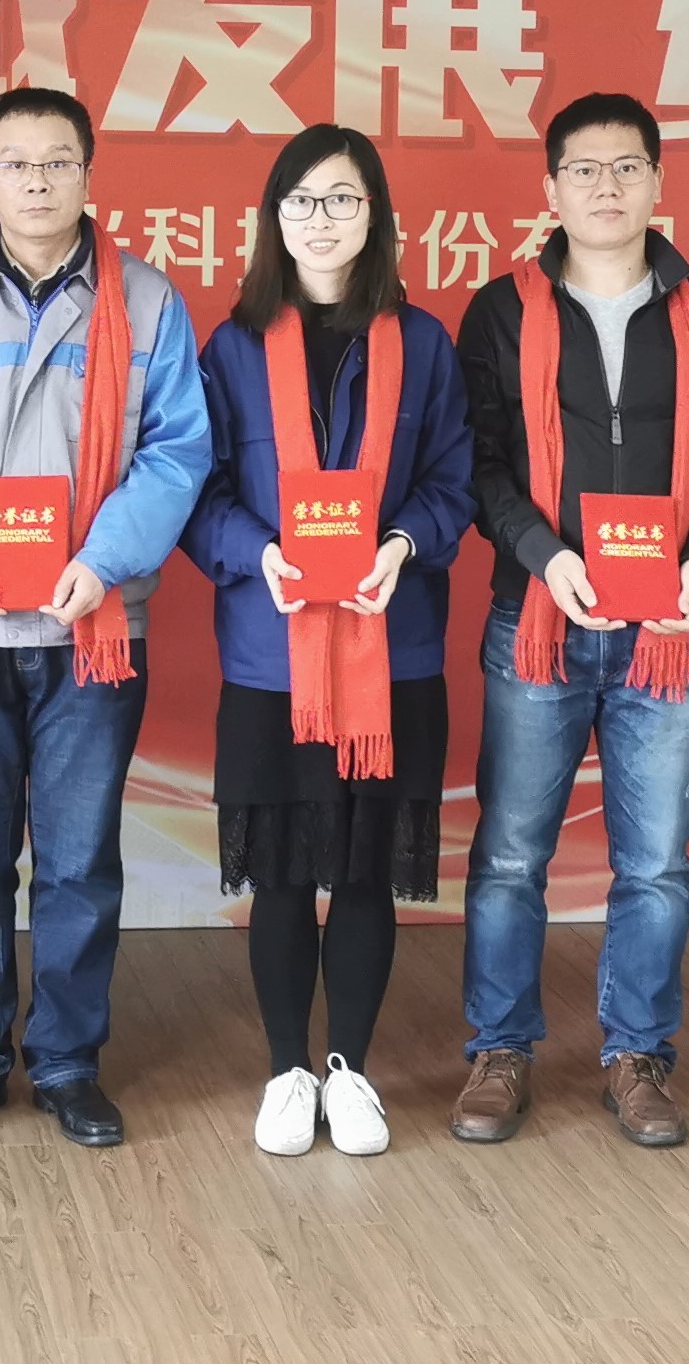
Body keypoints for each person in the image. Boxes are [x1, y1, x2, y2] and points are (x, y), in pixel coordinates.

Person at [0, 88, 211, 1148]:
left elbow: (178, 452)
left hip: (94, 627)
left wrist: (103, 562)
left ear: (88, 174)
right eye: (15, 164)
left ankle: (67, 1061)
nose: (36, 181)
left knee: (77, 862)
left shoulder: (148, 300)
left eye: (57, 162)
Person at [449, 93, 689, 1149]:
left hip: (665, 632)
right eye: (583, 169)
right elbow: (480, 464)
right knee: (509, 856)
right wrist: (548, 556)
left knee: (657, 862)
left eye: (627, 167)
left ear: (658, 182)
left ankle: (638, 1054)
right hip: (536, 621)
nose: (606, 187)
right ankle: (500, 1048)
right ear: (550, 188)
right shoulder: (500, 311)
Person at [183, 126, 474, 1158]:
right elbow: (199, 491)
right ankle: (285, 1069)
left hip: (393, 648)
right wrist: (255, 551)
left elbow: (455, 480)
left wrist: (402, 542)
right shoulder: (231, 348)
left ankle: (348, 1066)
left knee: (361, 872)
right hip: (274, 656)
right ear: (275, 217)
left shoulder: (423, 344)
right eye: (302, 200)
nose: (321, 218)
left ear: (375, 215)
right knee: (280, 873)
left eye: (343, 198)